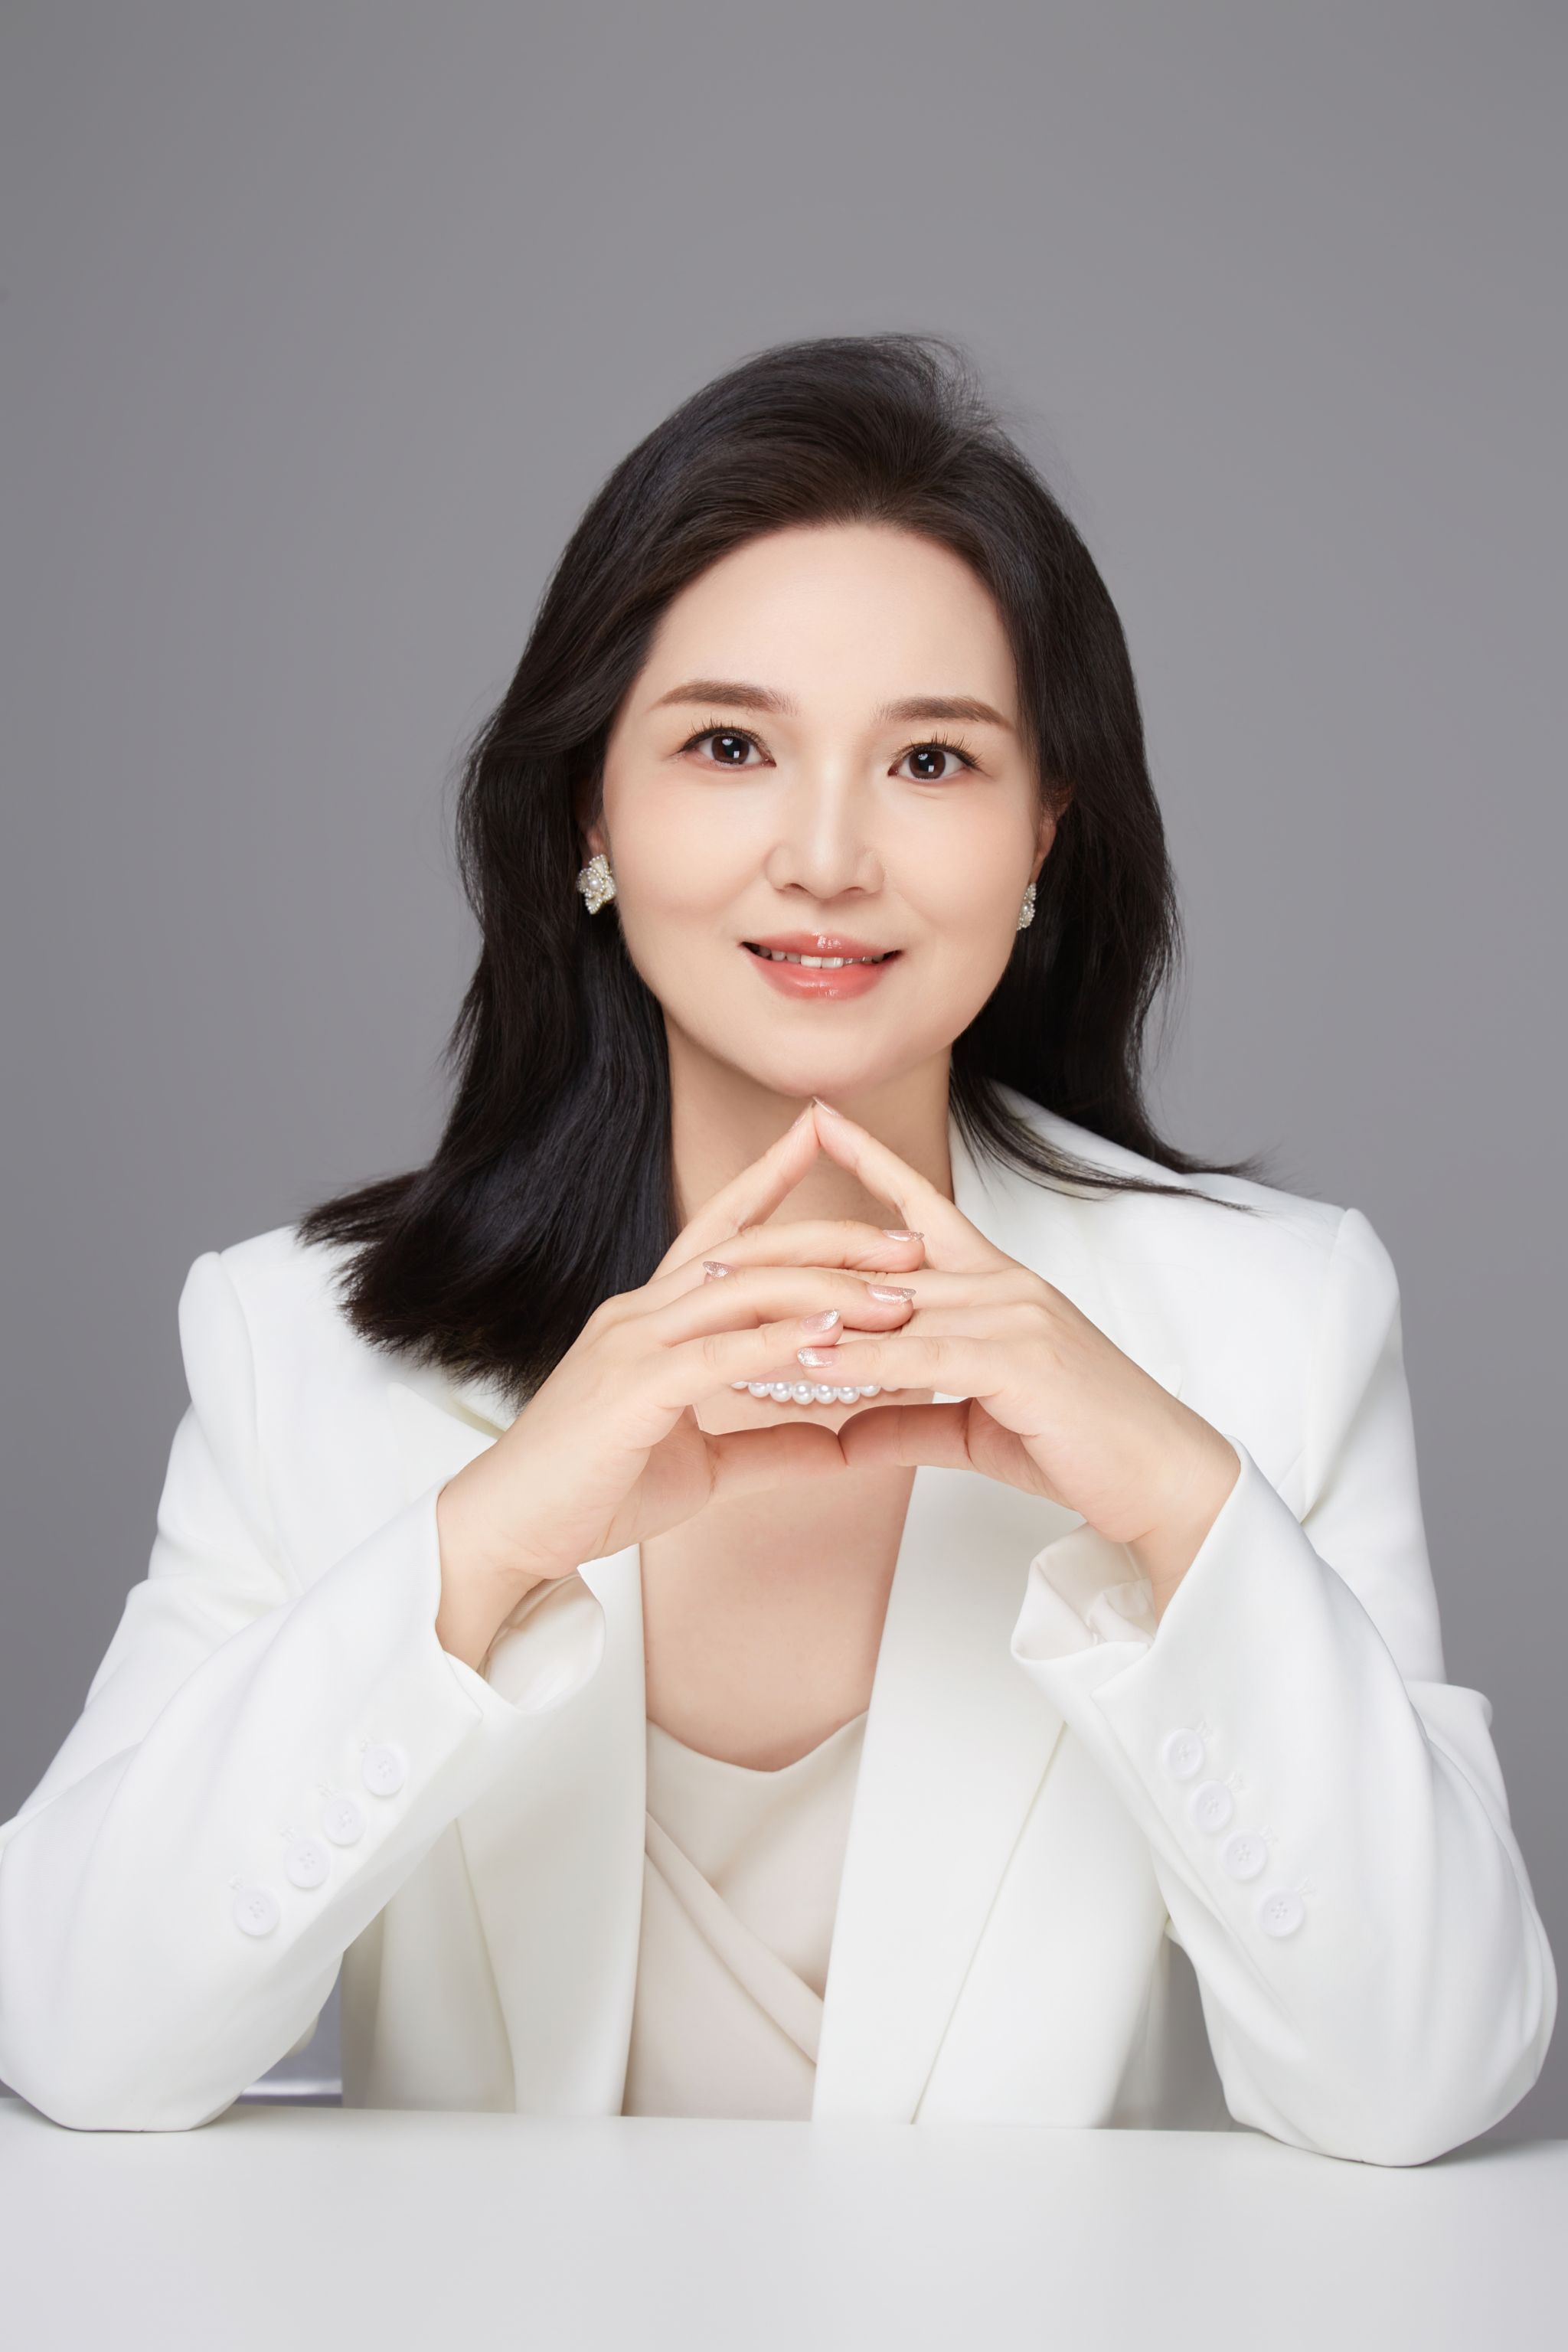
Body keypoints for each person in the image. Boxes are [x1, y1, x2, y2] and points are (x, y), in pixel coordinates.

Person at [0, 335, 1554, 2155]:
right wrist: (487, 1542)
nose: (826, 857)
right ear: (592, 808)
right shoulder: (307, 1342)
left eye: (931, 759)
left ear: (1042, 834)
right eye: (729, 746)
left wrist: (1172, 1497)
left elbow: (1422, 2079)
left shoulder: (1268, 1320)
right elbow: (76, 2033)